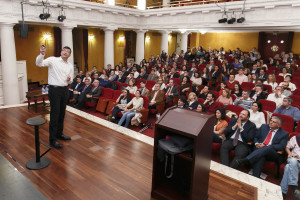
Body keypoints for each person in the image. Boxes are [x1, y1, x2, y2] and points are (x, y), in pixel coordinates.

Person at [36, 45, 73, 149]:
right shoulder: (53, 60)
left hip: (65, 90)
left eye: (68, 51)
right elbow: (39, 64)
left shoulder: (70, 65)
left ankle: (59, 134)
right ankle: (52, 140)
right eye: (64, 50)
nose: (65, 52)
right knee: (55, 114)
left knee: (62, 114)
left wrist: (70, 79)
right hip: (54, 90)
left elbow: (71, 80)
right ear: (61, 52)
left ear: (69, 55)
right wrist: (42, 54)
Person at [280, 135, 300, 199]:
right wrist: (289, 153)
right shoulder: (297, 137)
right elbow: (287, 147)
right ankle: (294, 187)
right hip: (294, 158)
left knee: (287, 167)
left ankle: (283, 192)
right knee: (293, 161)